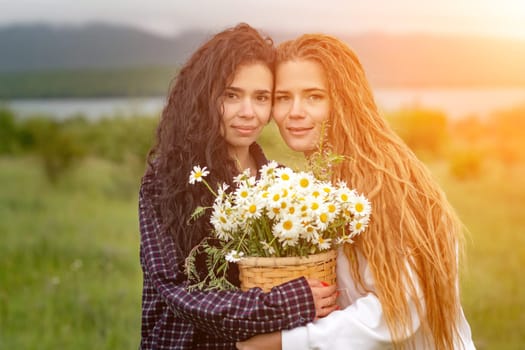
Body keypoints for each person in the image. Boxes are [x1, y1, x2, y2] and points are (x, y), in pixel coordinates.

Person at [236, 34, 475, 349]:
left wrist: (285, 341)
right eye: (283, 98)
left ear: (344, 100)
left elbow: (399, 307)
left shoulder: (383, 178)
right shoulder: (324, 183)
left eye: (314, 96)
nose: (295, 111)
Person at [138, 24, 338, 349]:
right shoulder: (167, 182)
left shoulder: (282, 184)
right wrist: (284, 303)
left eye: (261, 98)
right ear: (205, 97)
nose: (248, 113)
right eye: (232, 95)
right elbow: (177, 291)